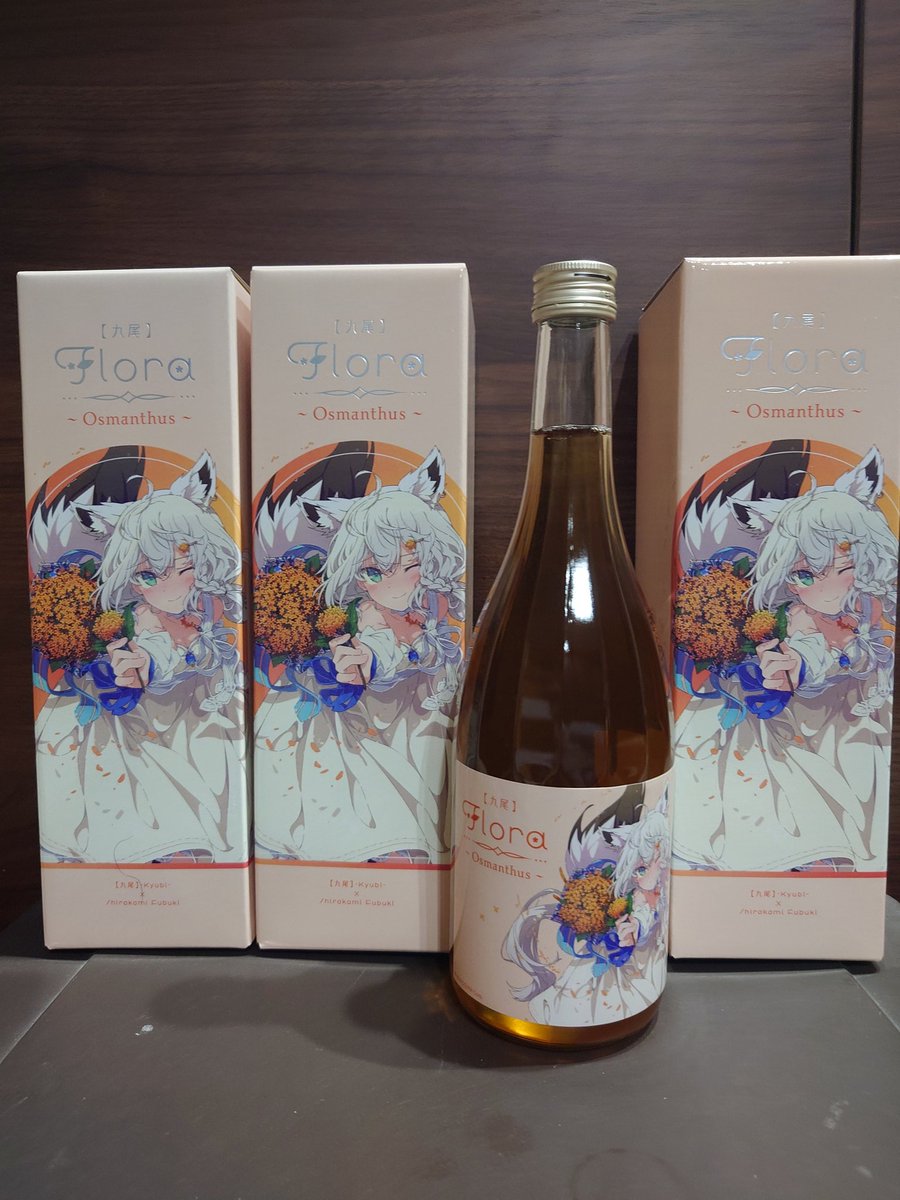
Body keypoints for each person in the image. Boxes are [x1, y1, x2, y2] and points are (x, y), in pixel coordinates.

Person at [674, 445, 895, 871]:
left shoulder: (865, 607)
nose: (824, 587)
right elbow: (808, 649)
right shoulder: (796, 616)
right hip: (787, 730)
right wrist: (795, 666)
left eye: (843, 567)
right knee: (789, 803)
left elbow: (863, 652)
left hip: (842, 726)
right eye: (804, 575)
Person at [31, 450, 246, 865]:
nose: (167, 587)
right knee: (150, 776)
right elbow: (152, 652)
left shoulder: (207, 604)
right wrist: (146, 666)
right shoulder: (144, 617)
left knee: (214, 773)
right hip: (146, 718)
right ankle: (161, 846)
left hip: (200, 714)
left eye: (184, 570)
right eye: (148, 575)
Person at [254, 446, 466, 864]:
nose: (393, 584)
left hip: (422, 713)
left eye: (411, 566)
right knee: (369, 789)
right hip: (368, 720)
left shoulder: (432, 605)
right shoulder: (368, 614)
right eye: (372, 572)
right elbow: (377, 646)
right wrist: (368, 662)